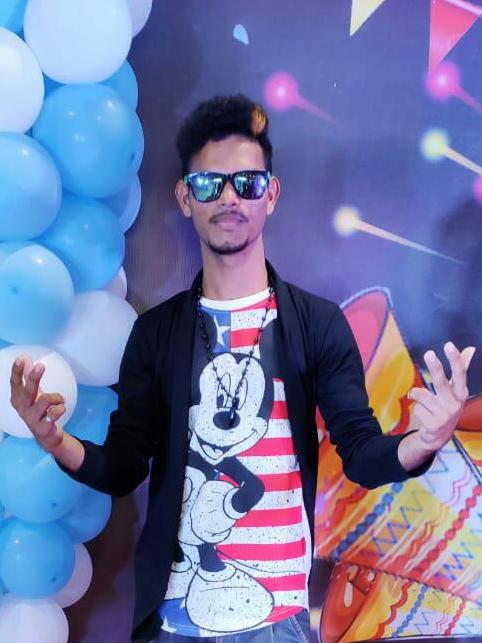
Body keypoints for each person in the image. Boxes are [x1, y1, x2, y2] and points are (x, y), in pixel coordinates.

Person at [9, 95, 475, 643]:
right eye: (209, 184)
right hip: (175, 620)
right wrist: (56, 441)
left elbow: (361, 455)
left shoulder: (316, 324)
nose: (229, 198)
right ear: (185, 198)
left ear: (270, 194)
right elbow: (124, 466)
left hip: (278, 622)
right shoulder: (157, 333)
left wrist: (425, 441)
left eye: (247, 183)